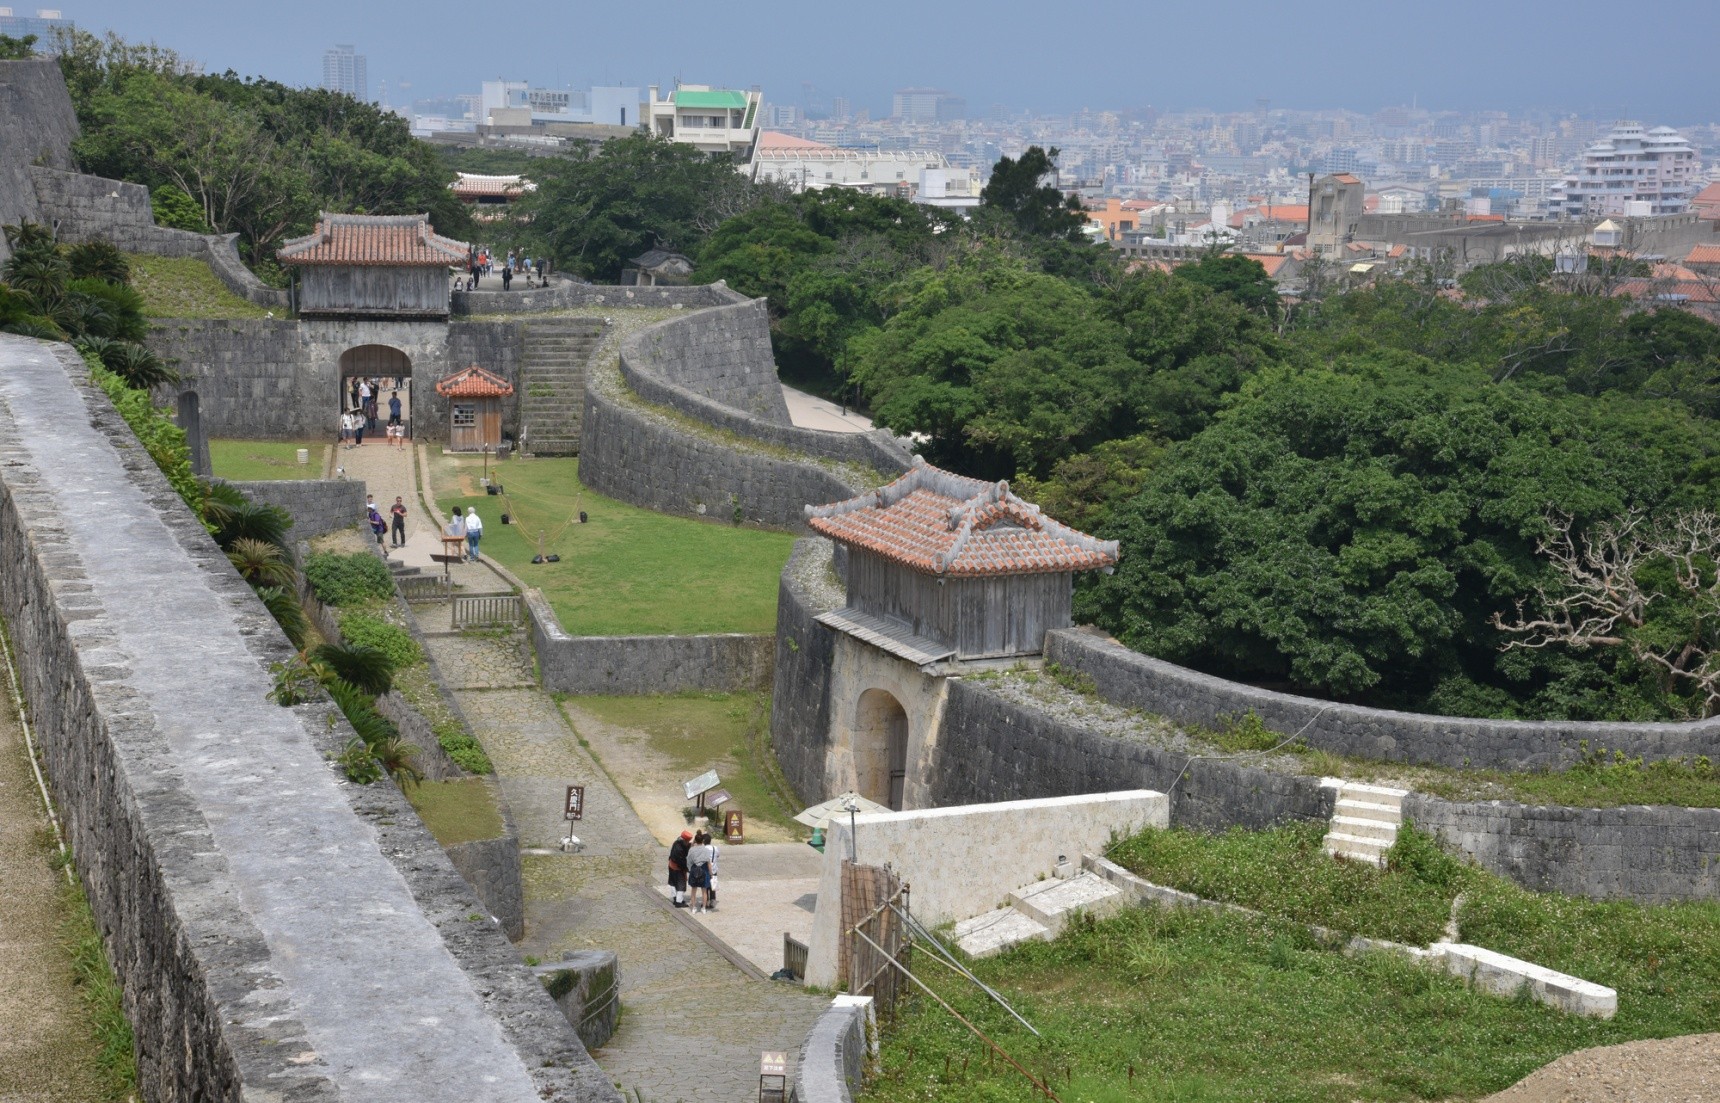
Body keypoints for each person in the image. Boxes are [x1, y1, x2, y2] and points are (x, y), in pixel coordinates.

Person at [687, 831, 714, 913]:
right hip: (704, 870)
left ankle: (694, 908)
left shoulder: (692, 850)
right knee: (704, 891)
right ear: (702, 841)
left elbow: (688, 861)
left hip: (694, 869)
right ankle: (704, 908)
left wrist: (690, 870)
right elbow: (708, 863)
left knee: (693, 890)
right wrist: (711, 873)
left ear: (695, 840)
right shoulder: (706, 850)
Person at [667, 830, 693, 908]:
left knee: (673, 882)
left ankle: (675, 897)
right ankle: (679, 902)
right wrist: (687, 869)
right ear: (685, 840)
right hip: (678, 868)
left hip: (671, 865)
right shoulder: (680, 849)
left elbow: (686, 847)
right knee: (681, 884)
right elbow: (681, 861)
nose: (688, 842)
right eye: (688, 841)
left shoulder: (676, 843)